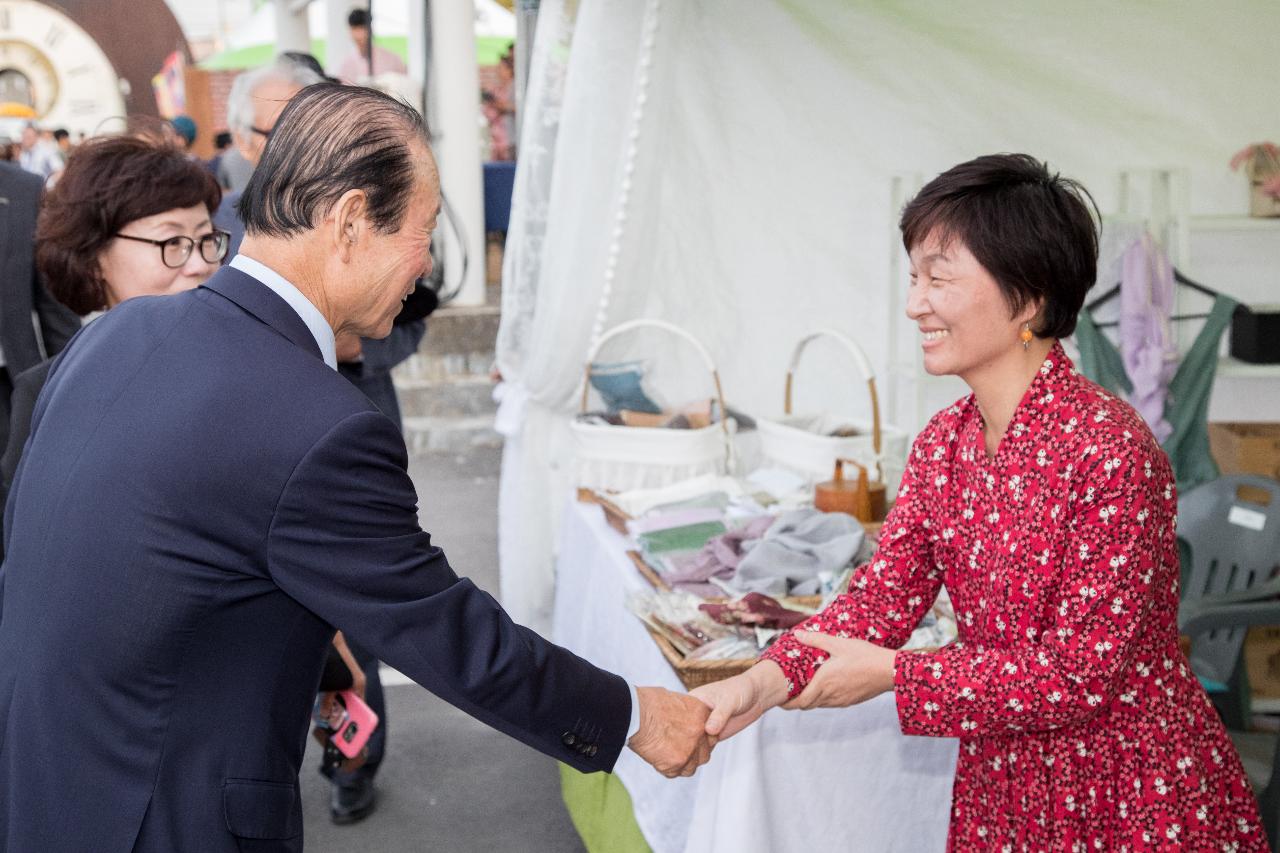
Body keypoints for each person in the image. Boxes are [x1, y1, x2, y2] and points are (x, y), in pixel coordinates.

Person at [0, 83, 712, 852]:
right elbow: (448, 631)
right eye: (423, 228)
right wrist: (635, 717)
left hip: (51, 789)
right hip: (168, 818)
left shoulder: (121, 332)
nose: (427, 261)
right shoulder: (318, 422)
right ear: (347, 223)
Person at [692, 154, 1266, 850]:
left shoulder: (1110, 448)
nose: (914, 303)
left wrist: (895, 674)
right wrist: (759, 683)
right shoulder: (943, 444)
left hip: (1128, 791)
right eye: (913, 276)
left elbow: (1079, 672)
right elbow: (879, 601)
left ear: (1026, 297)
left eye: (939, 276)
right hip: (1006, 782)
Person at [0, 134, 226, 513]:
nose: (200, 263)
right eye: (171, 241)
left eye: (206, 239)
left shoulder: (251, 368)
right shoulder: (46, 394)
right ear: (93, 259)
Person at [0, 158, 79, 480]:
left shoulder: (24, 188)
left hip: (11, 376)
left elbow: (53, 304)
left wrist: (73, 375)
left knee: (19, 483)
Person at [217, 58, 325, 258]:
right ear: (242, 141)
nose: (299, 144)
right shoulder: (219, 226)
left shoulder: (350, 212)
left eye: (310, 129)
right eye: (280, 132)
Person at [337, 7, 407, 83]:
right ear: (350, 31)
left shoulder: (392, 60)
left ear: (370, 29)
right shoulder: (347, 65)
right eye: (354, 29)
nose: (359, 35)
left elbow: (404, 86)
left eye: (362, 28)